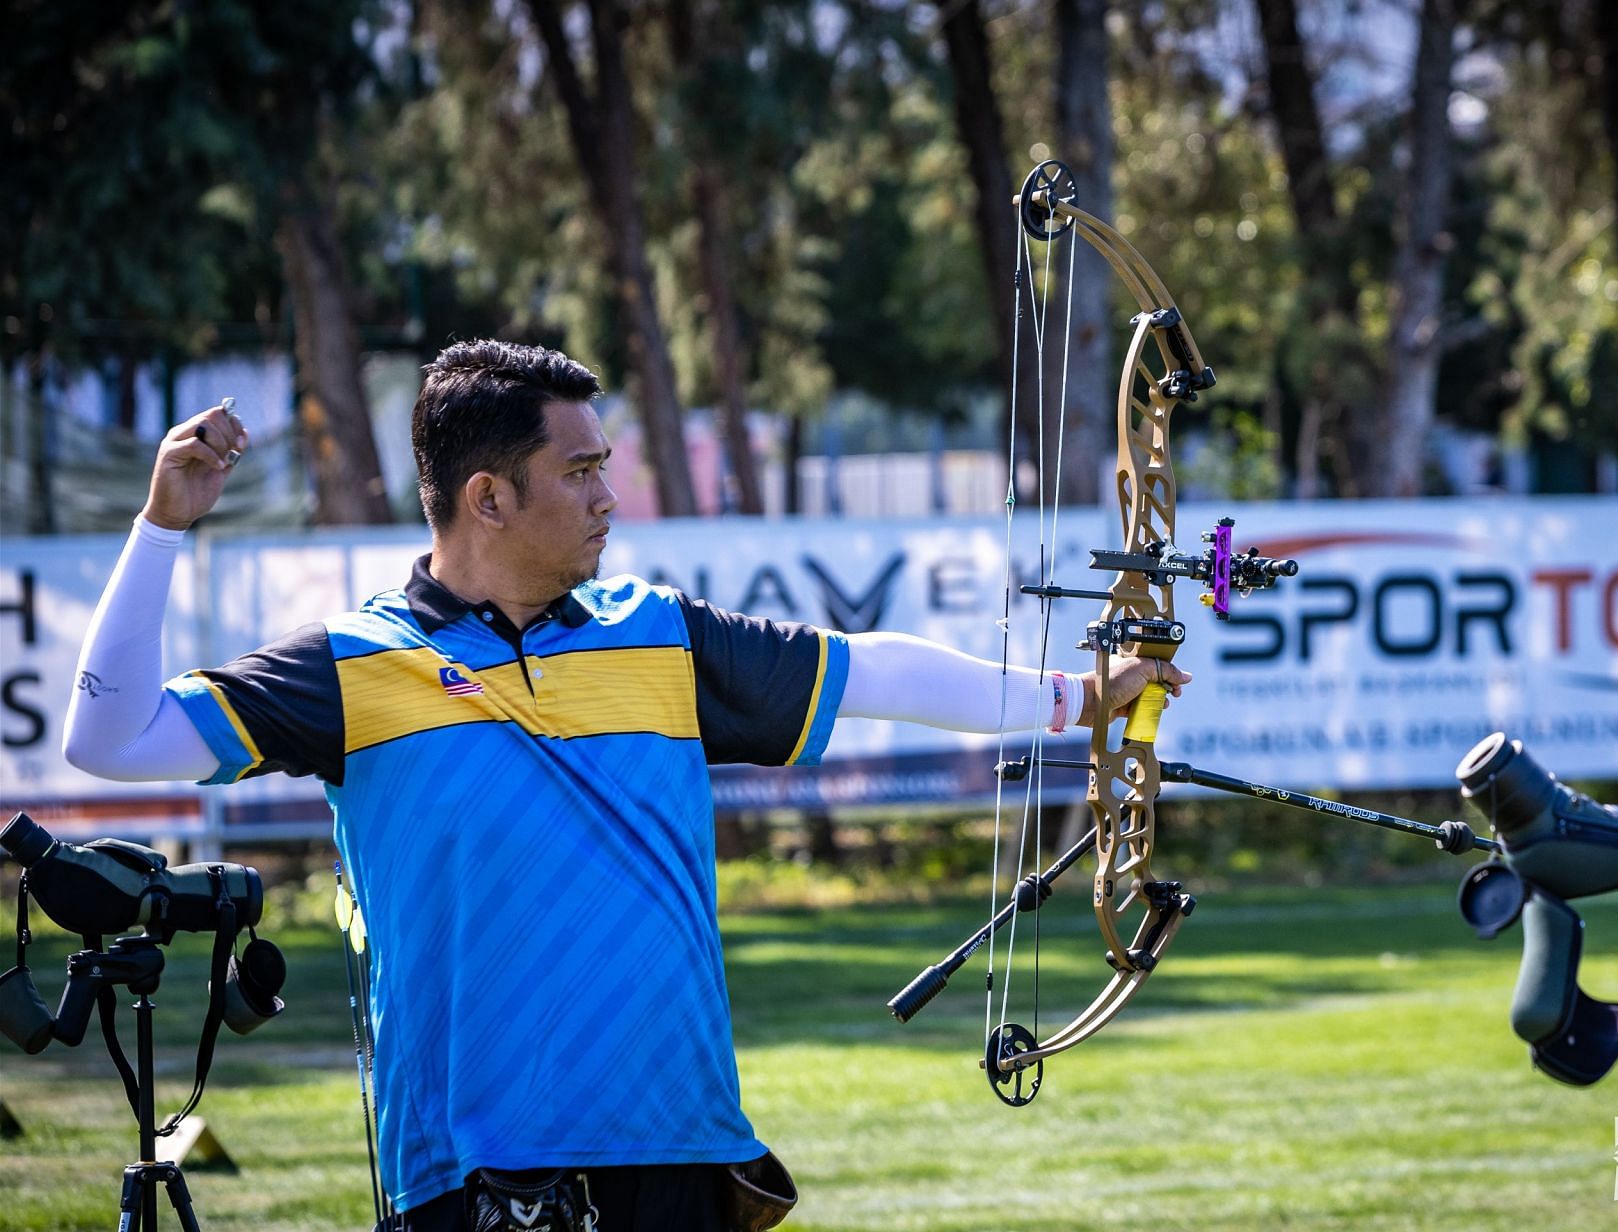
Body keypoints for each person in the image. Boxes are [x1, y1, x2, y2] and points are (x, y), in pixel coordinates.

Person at [62, 340, 1188, 1232]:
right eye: (583, 471)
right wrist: (162, 528)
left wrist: (1074, 700)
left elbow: (874, 666)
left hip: (683, 1147)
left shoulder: (656, 633)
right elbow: (110, 737)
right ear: (489, 497)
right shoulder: (353, 666)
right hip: (474, 1163)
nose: (611, 495)